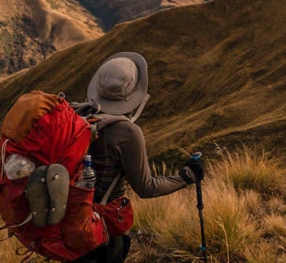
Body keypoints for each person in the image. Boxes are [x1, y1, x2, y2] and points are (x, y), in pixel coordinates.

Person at [77, 52, 205, 263]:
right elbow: (146, 188)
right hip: (103, 228)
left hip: (70, 220)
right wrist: (187, 176)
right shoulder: (127, 132)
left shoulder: (78, 116)